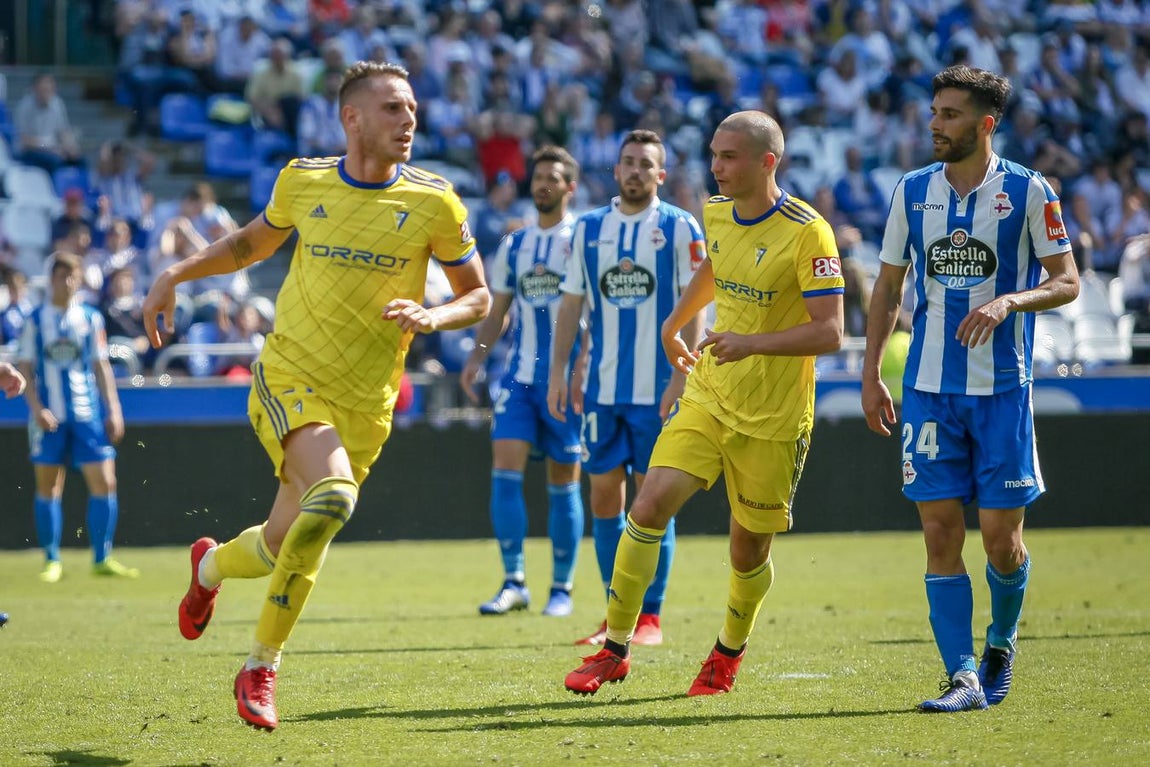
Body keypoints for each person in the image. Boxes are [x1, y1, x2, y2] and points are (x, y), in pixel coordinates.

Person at [141, 61, 489, 732]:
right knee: (333, 499)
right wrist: (175, 273)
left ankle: (209, 566)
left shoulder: (436, 201)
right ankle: (260, 666)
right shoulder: (302, 180)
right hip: (291, 375)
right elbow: (248, 244)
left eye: (412, 107)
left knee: (282, 540)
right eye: (392, 107)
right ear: (351, 118)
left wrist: (434, 315)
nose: (409, 118)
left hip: (368, 402)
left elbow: (477, 294)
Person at [561, 110, 845, 696]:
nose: (716, 166)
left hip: (773, 417)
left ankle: (726, 654)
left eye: (729, 156)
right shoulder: (715, 213)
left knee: (746, 551)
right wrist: (676, 321)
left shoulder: (807, 231)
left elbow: (831, 332)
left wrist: (752, 343)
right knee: (646, 507)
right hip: (710, 395)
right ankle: (615, 649)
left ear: (767, 163)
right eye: (714, 154)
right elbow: (718, 267)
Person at [860, 65, 1080, 713]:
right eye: (934, 111)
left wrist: (1012, 299)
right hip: (929, 389)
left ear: (986, 123)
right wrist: (871, 372)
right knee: (938, 530)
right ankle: (962, 675)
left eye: (951, 114)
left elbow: (1067, 281)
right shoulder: (911, 190)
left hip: (1003, 390)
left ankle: (1001, 645)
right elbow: (887, 288)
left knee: (1001, 542)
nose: (935, 123)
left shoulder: (1030, 192)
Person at [547, 129, 706, 647]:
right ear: (616, 171)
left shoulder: (680, 227)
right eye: (628, 162)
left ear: (661, 175)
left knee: (651, 501)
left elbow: (696, 303)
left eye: (646, 164)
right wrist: (559, 372)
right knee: (602, 499)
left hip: (659, 385)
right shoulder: (589, 230)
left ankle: (651, 616)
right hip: (603, 390)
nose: (636, 170)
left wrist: (684, 373)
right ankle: (617, 613)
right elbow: (571, 305)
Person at [460, 145, 585, 618]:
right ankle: (514, 581)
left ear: (570, 187)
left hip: (567, 380)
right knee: (504, 471)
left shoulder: (584, 240)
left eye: (553, 177)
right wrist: (477, 356)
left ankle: (562, 587)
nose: (543, 184)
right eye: (538, 177)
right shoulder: (515, 245)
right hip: (518, 376)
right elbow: (499, 309)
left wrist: (584, 367)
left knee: (562, 480)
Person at [16, 252, 138, 584]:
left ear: (80, 280)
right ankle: (51, 559)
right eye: (61, 276)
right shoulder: (35, 320)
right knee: (49, 486)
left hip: (87, 413)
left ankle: (102, 557)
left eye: (73, 276)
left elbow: (100, 366)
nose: (67, 282)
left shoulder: (91, 318)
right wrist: (36, 408)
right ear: (51, 279)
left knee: (105, 481)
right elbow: (24, 368)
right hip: (49, 417)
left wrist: (114, 408)